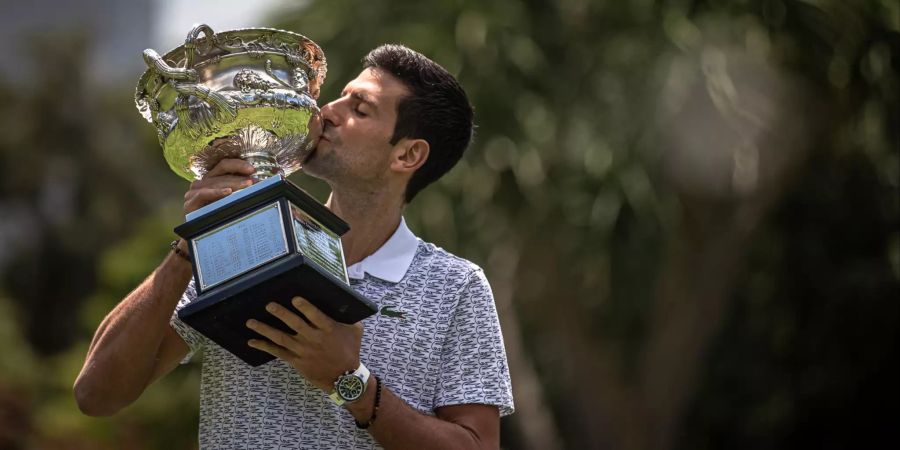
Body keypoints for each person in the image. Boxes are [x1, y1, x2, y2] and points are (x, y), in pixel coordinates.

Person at [74, 44, 514, 449]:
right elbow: (97, 395)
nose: (329, 111)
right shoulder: (243, 241)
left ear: (407, 155)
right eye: (340, 96)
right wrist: (192, 242)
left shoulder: (456, 286)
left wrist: (351, 382)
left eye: (359, 109)